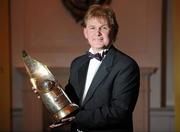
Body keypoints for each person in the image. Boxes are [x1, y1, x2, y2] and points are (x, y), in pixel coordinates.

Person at [34, 4, 140, 132]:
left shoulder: (126, 66)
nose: (97, 33)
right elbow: (70, 102)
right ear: (85, 32)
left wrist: (76, 118)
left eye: (103, 28)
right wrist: (50, 94)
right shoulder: (77, 63)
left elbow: (120, 111)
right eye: (92, 27)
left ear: (114, 31)